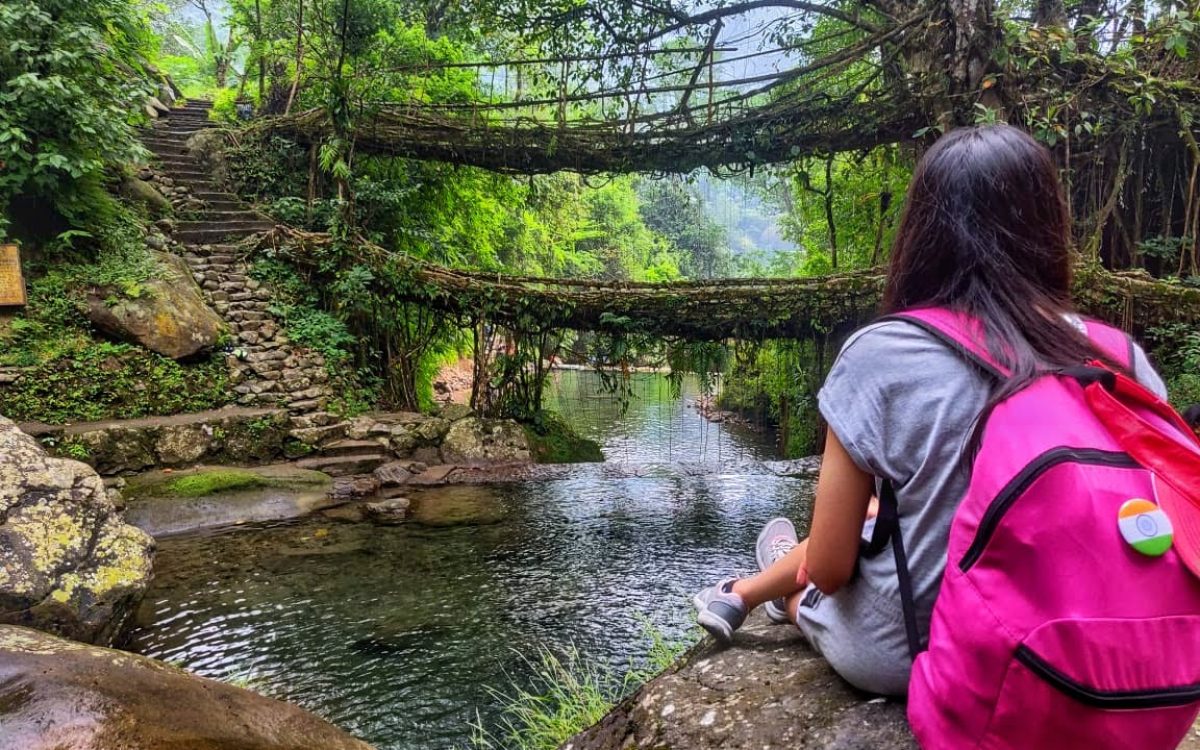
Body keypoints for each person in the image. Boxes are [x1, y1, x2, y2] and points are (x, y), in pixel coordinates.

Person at [693, 124, 1170, 697]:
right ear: (1049, 229)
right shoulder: (1119, 358)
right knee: (876, 516)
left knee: (821, 576)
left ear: (922, 233)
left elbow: (831, 568)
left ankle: (767, 598)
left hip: (920, 653)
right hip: (1117, 652)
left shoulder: (881, 353)